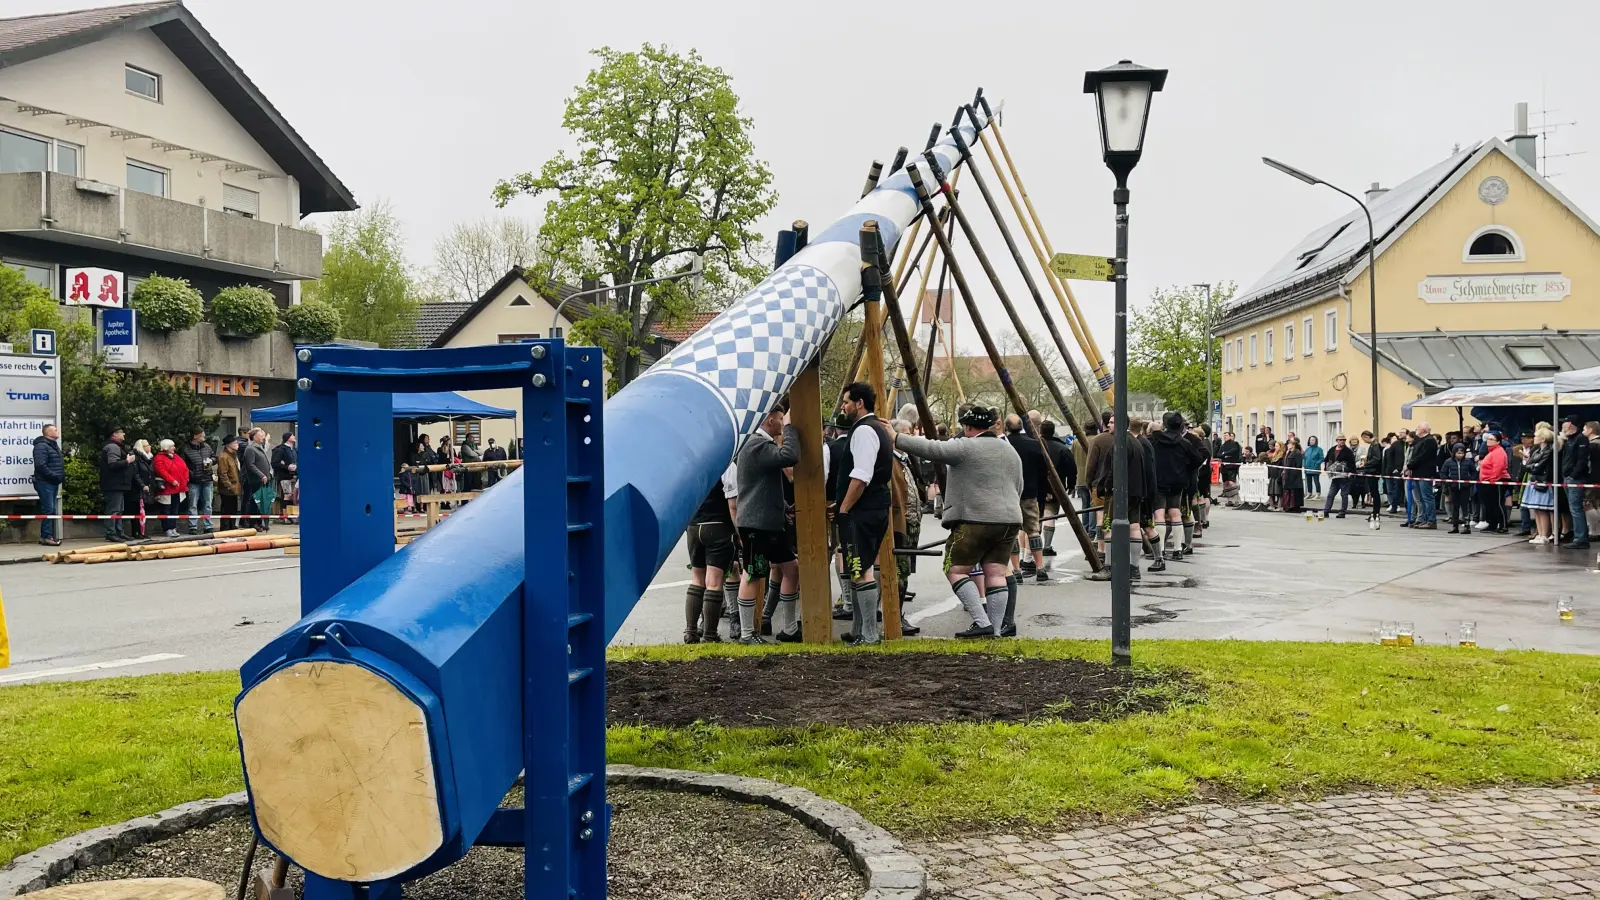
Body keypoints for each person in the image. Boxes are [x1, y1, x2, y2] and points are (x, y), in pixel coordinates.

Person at [893, 404, 1022, 637]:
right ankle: (995, 629)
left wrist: (897, 437)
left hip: (975, 519)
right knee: (996, 573)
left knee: (954, 569)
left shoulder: (965, 447)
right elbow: (1018, 486)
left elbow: (932, 449)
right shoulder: (1009, 450)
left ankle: (982, 622)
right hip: (1010, 520)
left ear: (968, 426)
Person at [734, 401, 801, 644]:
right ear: (769, 419)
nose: (783, 423)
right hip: (756, 524)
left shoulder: (760, 444)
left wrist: (783, 508)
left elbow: (762, 486)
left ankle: (790, 628)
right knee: (753, 573)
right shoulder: (756, 444)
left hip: (769, 522)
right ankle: (746, 634)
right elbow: (790, 455)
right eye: (781, 418)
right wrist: (793, 429)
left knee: (791, 569)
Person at [834, 382, 895, 645]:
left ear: (860, 403)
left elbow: (861, 476)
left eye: (846, 401)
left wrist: (844, 507)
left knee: (861, 568)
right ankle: (859, 629)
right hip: (872, 506)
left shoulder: (863, 432)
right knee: (856, 566)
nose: (843, 406)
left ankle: (869, 634)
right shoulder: (874, 428)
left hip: (864, 509)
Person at [684, 461, 739, 643]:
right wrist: (739, 533)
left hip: (694, 526)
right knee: (714, 582)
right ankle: (710, 634)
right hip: (717, 525)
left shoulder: (693, 464)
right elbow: (733, 506)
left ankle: (690, 632)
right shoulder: (726, 464)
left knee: (697, 579)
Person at [1149, 412, 1202, 560]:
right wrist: (1185, 467)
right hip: (1178, 480)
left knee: (1159, 514)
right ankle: (1178, 549)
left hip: (1159, 481)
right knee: (1175, 512)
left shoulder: (1155, 440)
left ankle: (1161, 550)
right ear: (1179, 426)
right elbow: (1197, 459)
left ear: (1165, 425)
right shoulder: (1184, 443)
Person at [1005, 412, 1050, 581]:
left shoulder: (1004, 445)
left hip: (1009, 494)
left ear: (1007, 428)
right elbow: (1043, 471)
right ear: (1022, 427)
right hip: (1030, 493)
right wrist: (1042, 491)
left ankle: (1016, 570)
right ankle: (1040, 567)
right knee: (1033, 531)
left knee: (1014, 532)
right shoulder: (1034, 445)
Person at [1040, 420, 1077, 559]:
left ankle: (1032, 548)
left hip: (1036, 486)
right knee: (1049, 514)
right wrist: (1071, 485)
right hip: (1055, 486)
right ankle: (1047, 546)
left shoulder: (1035, 445)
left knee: (1036, 516)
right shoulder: (1062, 448)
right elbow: (1072, 469)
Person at [1558, 416, 1591, 550]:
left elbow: (1582, 460)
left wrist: (1573, 475)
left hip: (1575, 478)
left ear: (1571, 425)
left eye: (1564, 424)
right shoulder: (1570, 440)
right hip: (1568, 477)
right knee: (1573, 508)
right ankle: (1578, 536)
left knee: (1576, 508)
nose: (1562, 427)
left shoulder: (1581, 439)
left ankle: (1581, 538)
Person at [1522, 425, 1558, 544]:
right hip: (1535, 480)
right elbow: (1529, 465)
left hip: (1543, 482)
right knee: (1536, 509)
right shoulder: (1537, 450)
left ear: (1543, 438)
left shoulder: (1548, 451)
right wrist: (1532, 466)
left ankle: (1544, 534)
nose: (1534, 438)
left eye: (1536, 436)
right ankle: (1540, 533)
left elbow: (1538, 467)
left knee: (1542, 510)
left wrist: (1532, 466)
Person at [99, 427, 135, 541]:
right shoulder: (112, 447)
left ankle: (119, 531)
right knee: (114, 509)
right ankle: (111, 533)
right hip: (114, 484)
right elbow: (113, 464)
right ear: (114, 435)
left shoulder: (116, 446)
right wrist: (127, 461)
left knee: (119, 509)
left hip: (118, 484)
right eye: (121, 432)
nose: (124, 434)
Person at [31, 424, 64, 547]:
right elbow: (40, 465)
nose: (57, 431)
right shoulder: (41, 446)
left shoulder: (52, 445)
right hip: (45, 482)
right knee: (48, 509)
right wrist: (54, 476)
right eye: (55, 429)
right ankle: (46, 536)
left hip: (51, 482)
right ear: (48, 433)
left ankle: (48, 535)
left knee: (51, 509)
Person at [178, 428, 216, 534]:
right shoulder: (186, 449)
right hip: (194, 481)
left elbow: (214, 457)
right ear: (195, 436)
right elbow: (182, 465)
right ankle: (192, 526)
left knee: (208, 504)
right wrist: (191, 474)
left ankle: (208, 525)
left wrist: (211, 461)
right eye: (202, 435)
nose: (204, 436)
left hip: (207, 479)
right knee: (193, 504)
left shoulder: (207, 447)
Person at [1404, 422, 1440, 529]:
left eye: (1418, 428)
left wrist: (1409, 465)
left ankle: (1431, 520)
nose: (1416, 429)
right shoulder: (1421, 440)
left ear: (1423, 430)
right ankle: (1423, 519)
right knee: (1420, 498)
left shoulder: (1429, 441)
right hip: (1417, 472)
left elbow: (1422, 456)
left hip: (1425, 472)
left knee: (1427, 497)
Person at [151, 439, 190, 537]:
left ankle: (173, 527)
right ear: (166, 447)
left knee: (175, 509)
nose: (174, 448)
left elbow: (185, 468)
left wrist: (185, 480)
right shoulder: (159, 458)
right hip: (167, 488)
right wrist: (171, 480)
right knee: (166, 509)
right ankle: (167, 528)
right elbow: (161, 471)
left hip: (178, 487)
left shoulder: (176, 457)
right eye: (172, 446)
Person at [1476, 431, 1509, 534]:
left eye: (1491, 439)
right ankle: (1492, 524)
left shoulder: (1499, 452)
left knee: (1497, 503)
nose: (1488, 441)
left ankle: (1503, 525)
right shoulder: (1491, 452)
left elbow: (1497, 468)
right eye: (1488, 439)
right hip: (1486, 481)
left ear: (1498, 442)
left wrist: (1493, 480)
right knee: (1489, 504)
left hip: (1495, 481)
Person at [1441, 443, 1479, 534]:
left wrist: (1470, 482)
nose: (1460, 455)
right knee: (1455, 507)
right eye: (1458, 453)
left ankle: (1466, 526)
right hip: (1453, 488)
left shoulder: (1468, 462)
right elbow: (1443, 473)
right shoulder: (1448, 462)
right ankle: (1455, 526)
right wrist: (1448, 482)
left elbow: (1474, 473)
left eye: (1462, 453)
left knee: (1465, 507)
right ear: (1454, 453)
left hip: (1465, 488)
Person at [243, 428, 275, 531]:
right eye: (260, 435)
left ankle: (260, 522)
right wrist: (261, 475)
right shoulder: (250, 449)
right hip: (256, 480)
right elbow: (251, 465)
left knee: (262, 501)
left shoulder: (259, 447)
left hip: (265, 479)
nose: (263, 437)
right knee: (255, 501)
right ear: (254, 436)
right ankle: (253, 523)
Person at [1320, 434, 1357, 518]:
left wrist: (1351, 472)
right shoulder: (1332, 449)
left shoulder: (1347, 451)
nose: (1342, 441)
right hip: (1334, 476)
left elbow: (1352, 463)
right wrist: (1326, 468)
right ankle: (1326, 511)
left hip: (1344, 476)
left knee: (1344, 495)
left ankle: (1342, 512)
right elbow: (1326, 460)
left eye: (1343, 440)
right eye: (1340, 440)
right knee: (1330, 494)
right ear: (1337, 441)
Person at [217, 435, 244, 531]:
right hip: (228, 488)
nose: (237, 444)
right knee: (226, 508)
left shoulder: (233, 455)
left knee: (233, 508)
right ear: (229, 445)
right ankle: (225, 527)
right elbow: (222, 473)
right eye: (235, 443)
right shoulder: (223, 456)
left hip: (235, 486)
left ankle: (232, 526)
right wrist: (228, 485)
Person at [129, 439, 155, 538]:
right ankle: (136, 532)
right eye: (147, 445)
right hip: (137, 489)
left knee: (143, 511)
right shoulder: (136, 458)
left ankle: (142, 531)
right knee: (136, 510)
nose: (150, 447)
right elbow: (135, 474)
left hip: (146, 488)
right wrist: (142, 485)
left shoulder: (148, 459)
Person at [271, 432, 298, 522]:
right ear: (287, 438)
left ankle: (291, 515)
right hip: (285, 476)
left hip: (294, 475)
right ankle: (285, 516)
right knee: (287, 495)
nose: (294, 437)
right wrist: (287, 466)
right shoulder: (281, 449)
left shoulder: (294, 449)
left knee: (293, 495)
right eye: (292, 436)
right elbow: (275, 463)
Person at [1381, 433, 1405, 514]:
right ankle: (1391, 503)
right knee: (1389, 489)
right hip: (1388, 472)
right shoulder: (1387, 450)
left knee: (1396, 489)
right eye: (1392, 438)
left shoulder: (1400, 449)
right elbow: (1385, 462)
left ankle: (1396, 504)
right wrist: (1383, 473)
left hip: (1395, 472)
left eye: (1395, 438)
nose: (1394, 439)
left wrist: (1397, 469)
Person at [1217, 431, 1243, 505]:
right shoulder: (1223, 445)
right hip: (1224, 466)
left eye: (1226, 435)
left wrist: (1224, 454)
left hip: (1232, 466)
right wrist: (1224, 455)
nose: (1225, 437)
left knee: (1232, 483)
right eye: (1224, 435)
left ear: (1230, 436)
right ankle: (1229, 500)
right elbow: (1218, 454)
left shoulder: (1235, 444)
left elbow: (1234, 451)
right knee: (1226, 483)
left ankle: (1236, 500)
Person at [1281, 438, 1305, 512]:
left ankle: (1294, 506)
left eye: (1289, 444)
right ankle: (1288, 506)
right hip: (1288, 475)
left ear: (1293, 445)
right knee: (1288, 491)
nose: (1288, 445)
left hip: (1294, 476)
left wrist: (1293, 473)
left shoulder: (1297, 453)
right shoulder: (1289, 452)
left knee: (1294, 492)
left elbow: (1298, 465)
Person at [1302, 435, 1324, 500]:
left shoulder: (1319, 449)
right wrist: (1304, 464)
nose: (1311, 441)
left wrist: (1317, 464)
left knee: (1316, 481)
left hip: (1315, 468)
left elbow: (1322, 458)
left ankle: (1318, 493)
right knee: (1309, 482)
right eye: (1310, 440)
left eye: (1313, 440)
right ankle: (1309, 493)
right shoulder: (1307, 449)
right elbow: (1304, 458)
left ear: (1316, 441)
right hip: (1307, 468)